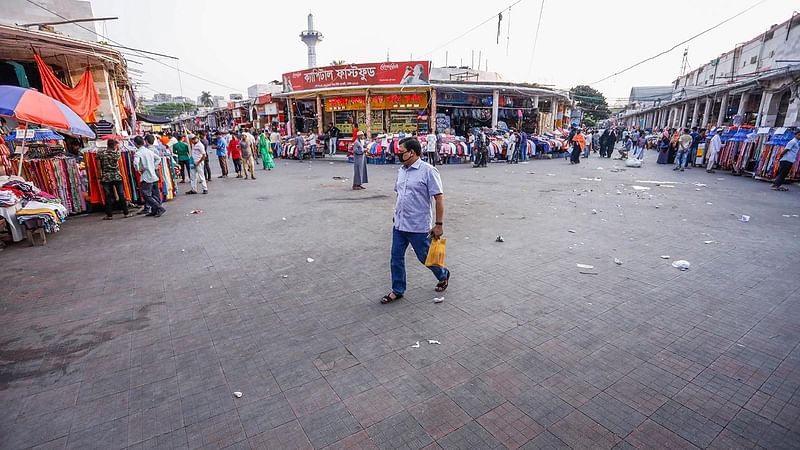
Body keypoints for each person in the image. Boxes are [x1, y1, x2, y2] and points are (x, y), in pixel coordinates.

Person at [381, 137, 449, 304]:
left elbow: (439, 198)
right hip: (400, 224)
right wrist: (396, 212)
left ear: (412, 152)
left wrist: (439, 225)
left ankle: (443, 274)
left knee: (426, 257)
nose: (398, 154)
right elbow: (400, 194)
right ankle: (397, 290)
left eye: (401, 151)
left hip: (418, 225)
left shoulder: (428, 171)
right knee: (395, 258)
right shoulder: (402, 170)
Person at [97, 139, 131, 220]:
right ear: (114, 145)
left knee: (108, 196)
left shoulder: (101, 154)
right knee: (121, 194)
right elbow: (118, 155)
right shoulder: (117, 153)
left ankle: (109, 215)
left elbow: (98, 166)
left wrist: (100, 176)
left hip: (106, 177)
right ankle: (126, 213)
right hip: (117, 176)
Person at [133, 135, 165, 217]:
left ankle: (158, 208)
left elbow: (135, 163)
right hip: (153, 175)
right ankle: (155, 210)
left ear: (136, 144)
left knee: (146, 195)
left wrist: (139, 170)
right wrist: (153, 166)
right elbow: (158, 159)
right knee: (155, 194)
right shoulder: (149, 151)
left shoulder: (138, 153)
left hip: (147, 176)